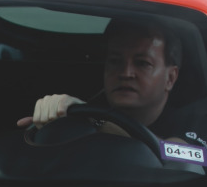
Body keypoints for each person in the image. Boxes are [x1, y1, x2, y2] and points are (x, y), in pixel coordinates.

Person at [18, 19, 187, 134]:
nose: (125, 73)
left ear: (170, 78)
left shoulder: (197, 120)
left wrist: (93, 122)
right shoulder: (85, 106)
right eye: (115, 61)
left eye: (142, 63)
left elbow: (179, 156)